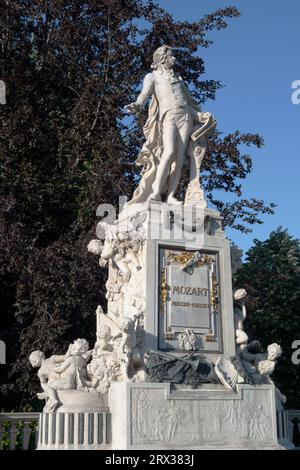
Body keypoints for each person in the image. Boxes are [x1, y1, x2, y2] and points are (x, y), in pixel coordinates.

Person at [126, 45, 214, 205]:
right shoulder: (152, 77)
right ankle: (156, 193)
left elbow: (187, 102)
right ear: (163, 58)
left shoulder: (179, 79)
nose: (174, 59)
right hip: (168, 116)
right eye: (172, 56)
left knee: (179, 158)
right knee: (169, 152)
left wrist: (200, 115)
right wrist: (138, 105)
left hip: (185, 116)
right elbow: (144, 94)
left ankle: (171, 196)